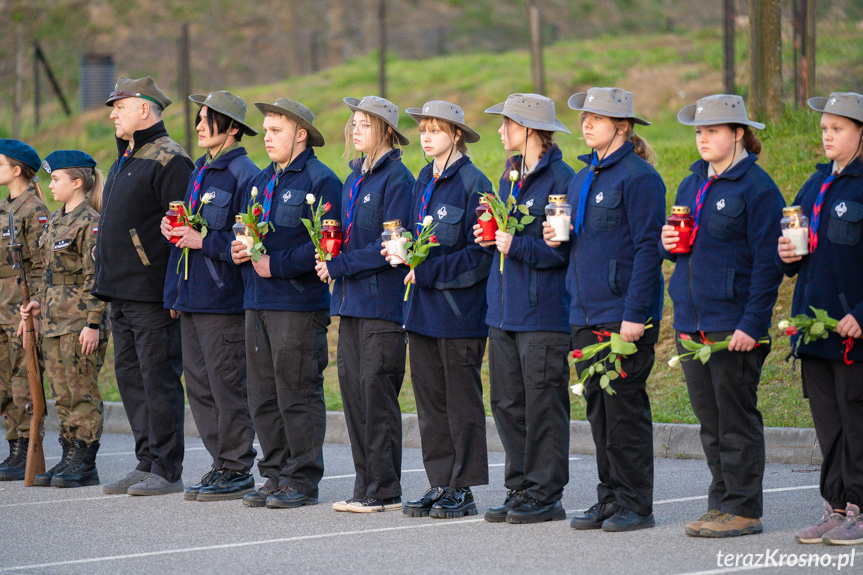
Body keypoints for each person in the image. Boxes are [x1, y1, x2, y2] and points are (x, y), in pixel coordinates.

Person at [661, 94, 785, 538]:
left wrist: (752, 324)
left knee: (735, 419)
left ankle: (744, 509)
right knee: (710, 421)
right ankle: (721, 503)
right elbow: (676, 247)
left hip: (732, 324)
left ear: (738, 134)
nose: (703, 139)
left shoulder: (758, 188)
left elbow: (768, 264)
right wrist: (668, 243)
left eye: (713, 131)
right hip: (692, 322)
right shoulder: (690, 184)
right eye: (698, 131)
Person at [545, 87, 665, 532]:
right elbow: (579, 247)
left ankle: (638, 504)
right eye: (585, 117)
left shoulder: (640, 178)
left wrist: (636, 314)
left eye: (598, 117)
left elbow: (647, 252)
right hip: (584, 313)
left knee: (625, 411)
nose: (587, 123)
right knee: (598, 410)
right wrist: (556, 237)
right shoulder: (582, 178)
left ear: (623, 126)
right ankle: (610, 498)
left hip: (624, 317)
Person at [230, 98, 341, 509]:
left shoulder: (321, 180)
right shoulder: (260, 179)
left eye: (275, 131)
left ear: (300, 134)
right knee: (262, 394)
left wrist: (274, 265)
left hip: (297, 304)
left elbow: (325, 245)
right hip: (256, 301)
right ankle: (275, 473)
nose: (267, 137)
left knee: (296, 392)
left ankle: (302, 478)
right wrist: (238, 250)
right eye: (266, 130)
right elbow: (246, 229)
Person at [95, 76, 194, 496]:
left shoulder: (171, 159)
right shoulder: (126, 158)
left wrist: (174, 291)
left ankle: (167, 469)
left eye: (119, 105)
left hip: (152, 293)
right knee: (132, 380)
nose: (113, 113)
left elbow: (181, 232)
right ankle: (146, 461)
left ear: (144, 109)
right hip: (121, 291)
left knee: (159, 379)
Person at [315, 96, 414, 513]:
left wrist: (340, 264)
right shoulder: (354, 177)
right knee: (355, 395)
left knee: (377, 394)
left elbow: (388, 246)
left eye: (364, 124)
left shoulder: (398, 179)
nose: (355, 130)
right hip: (351, 304)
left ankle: (385, 490)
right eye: (352, 123)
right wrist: (330, 257)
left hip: (383, 305)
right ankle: (364, 485)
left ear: (386, 131)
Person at [478, 93, 574, 524]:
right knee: (506, 402)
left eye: (507, 124)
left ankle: (546, 493)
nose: (501, 131)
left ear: (530, 130)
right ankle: (520, 487)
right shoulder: (509, 178)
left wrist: (516, 245)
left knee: (543, 405)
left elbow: (559, 252)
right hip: (503, 311)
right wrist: (493, 238)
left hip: (543, 314)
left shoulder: (562, 180)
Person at [161, 91, 259, 502]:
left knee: (227, 385)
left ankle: (238, 467)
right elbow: (183, 236)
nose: (199, 125)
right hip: (192, 296)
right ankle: (221, 463)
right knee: (199, 388)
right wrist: (173, 290)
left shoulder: (245, 174)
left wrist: (206, 241)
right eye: (199, 117)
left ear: (232, 128)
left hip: (224, 301)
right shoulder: (199, 170)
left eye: (207, 119)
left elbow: (246, 242)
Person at [400, 100, 493, 519]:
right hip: (421, 312)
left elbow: (479, 256)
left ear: (457, 135)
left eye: (435, 130)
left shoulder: (475, 183)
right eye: (422, 130)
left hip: (459, 313)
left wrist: (429, 272)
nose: (426, 137)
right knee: (431, 403)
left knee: (461, 403)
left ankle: (465, 488)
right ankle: (441, 483)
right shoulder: (423, 179)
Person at [778, 92, 863, 546]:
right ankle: (835, 507)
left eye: (839, 129)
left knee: (857, 422)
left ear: (860, 133)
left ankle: (861, 509)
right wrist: (787, 254)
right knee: (828, 426)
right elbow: (793, 254)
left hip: (853, 334)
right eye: (825, 129)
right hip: (812, 331)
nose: (828, 136)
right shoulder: (813, 187)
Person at [19, 150, 108, 488]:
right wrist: (38, 305)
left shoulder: (91, 221)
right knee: (61, 392)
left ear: (77, 182)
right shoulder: (56, 219)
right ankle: (68, 454)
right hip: (55, 318)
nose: (51, 185)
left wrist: (94, 323)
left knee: (81, 389)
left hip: (79, 320)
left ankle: (85, 462)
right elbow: (48, 272)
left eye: (56, 178)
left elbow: (96, 276)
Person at [0, 140, 48, 481]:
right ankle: (12, 445)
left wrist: (34, 307)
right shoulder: (6, 207)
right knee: (5, 378)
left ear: (17, 170)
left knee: (22, 376)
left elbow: (43, 263)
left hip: (20, 303)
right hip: (2, 301)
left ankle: (24, 450)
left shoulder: (33, 209)